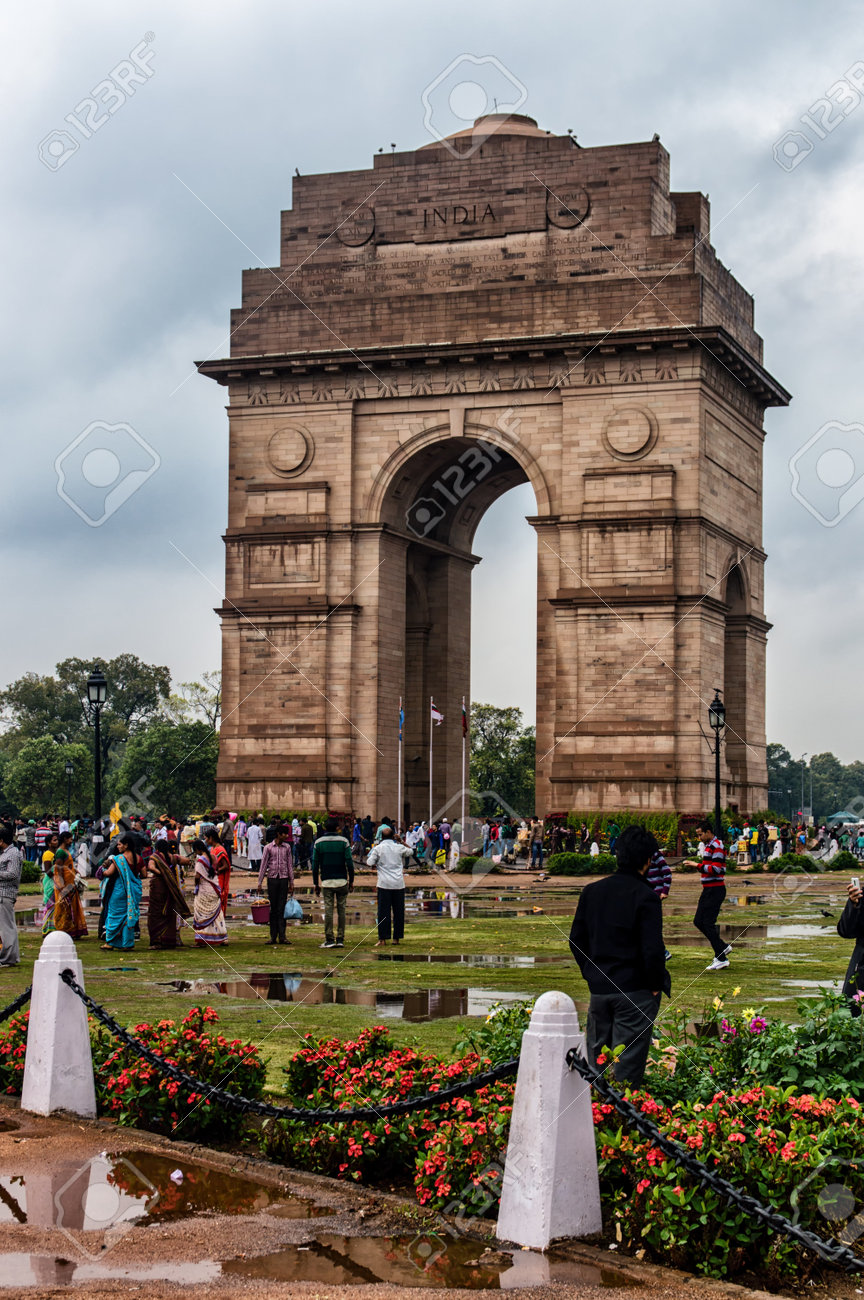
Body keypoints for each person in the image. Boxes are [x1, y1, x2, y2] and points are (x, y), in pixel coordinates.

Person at [569, 825, 670, 1085]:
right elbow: (652, 949)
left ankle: (597, 1120)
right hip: (635, 991)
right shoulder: (646, 896)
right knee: (626, 1074)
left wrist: (592, 974)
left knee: (596, 1070)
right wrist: (655, 986)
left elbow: (576, 941)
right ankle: (622, 1119)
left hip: (600, 991)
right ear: (648, 860)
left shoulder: (592, 891)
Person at [685, 823, 730, 970]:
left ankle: (721, 955)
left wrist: (695, 865)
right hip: (708, 889)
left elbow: (716, 869)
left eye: (700, 834)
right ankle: (721, 947)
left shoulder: (716, 845)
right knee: (699, 921)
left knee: (707, 923)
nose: (699, 838)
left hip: (715, 889)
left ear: (708, 832)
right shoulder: (710, 845)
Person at [312, 817, 354, 949]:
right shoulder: (344, 841)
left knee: (328, 910)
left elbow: (315, 865)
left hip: (327, 881)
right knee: (342, 910)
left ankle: (329, 939)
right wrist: (351, 881)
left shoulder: (319, 842)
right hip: (342, 880)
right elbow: (350, 863)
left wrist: (315, 884)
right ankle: (340, 938)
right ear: (337, 828)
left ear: (325, 828)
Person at [367, 826, 412, 946]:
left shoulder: (378, 848)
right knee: (398, 912)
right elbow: (411, 851)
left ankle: (382, 939)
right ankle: (396, 938)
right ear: (393, 836)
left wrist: (377, 861)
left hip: (384, 884)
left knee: (383, 913)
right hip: (398, 884)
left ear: (381, 837)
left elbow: (369, 862)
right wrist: (401, 841)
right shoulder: (399, 847)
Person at [101, 834, 143, 951]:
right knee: (128, 916)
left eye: (119, 844)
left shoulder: (119, 859)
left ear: (126, 845)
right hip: (134, 891)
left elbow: (109, 873)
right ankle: (127, 943)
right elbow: (144, 874)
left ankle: (110, 942)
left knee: (114, 915)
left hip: (119, 891)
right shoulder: (139, 858)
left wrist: (102, 870)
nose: (118, 846)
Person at [147, 841, 190, 948]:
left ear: (157, 848)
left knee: (156, 914)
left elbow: (151, 867)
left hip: (159, 888)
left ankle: (157, 942)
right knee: (169, 913)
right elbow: (187, 861)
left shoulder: (155, 857)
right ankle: (169, 940)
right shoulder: (172, 857)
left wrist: (162, 873)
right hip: (170, 888)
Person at [258, 825, 294, 946]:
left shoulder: (287, 847)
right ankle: (273, 936)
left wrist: (292, 882)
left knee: (281, 908)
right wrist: (259, 882)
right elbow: (263, 865)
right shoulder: (268, 848)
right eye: (284, 834)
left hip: (283, 879)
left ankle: (282, 936)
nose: (286, 836)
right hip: (272, 879)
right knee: (273, 909)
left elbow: (290, 865)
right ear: (278, 834)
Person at [192, 838, 228, 947]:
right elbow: (215, 870)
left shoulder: (200, 861)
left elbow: (198, 876)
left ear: (197, 849)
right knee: (216, 914)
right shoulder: (213, 857)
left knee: (202, 914)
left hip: (204, 889)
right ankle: (222, 937)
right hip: (214, 888)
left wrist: (195, 884)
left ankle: (202, 940)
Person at [52, 830, 88, 939]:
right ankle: (64, 931)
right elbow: (58, 870)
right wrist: (62, 886)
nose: (71, 841)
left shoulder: (66, 851)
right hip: (64, 885)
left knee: (72, 907)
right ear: (65, 839)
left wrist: (74, 870)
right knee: (64, 908)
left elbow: (66, 866)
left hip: (70, 883)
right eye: (70, 839)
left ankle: (73, 930)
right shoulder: (60, 852)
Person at [838, 878, 864, 1015]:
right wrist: (853, 904)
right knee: (852, 1021)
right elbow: (846, 931)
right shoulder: (861, 896)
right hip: (861, 969)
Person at [0, 822, 22, 969]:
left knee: (7, 927)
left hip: (5, 894)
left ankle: (9, 958)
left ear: (1, 841)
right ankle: (6, 955)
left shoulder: (13, 853)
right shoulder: (5, 853)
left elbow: (13, 874)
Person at [202, 824, 232, 920]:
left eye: (206, 838)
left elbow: (226, 866)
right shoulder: (212, 849)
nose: (206, 840)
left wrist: (216, 871)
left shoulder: (220, 849)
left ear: (211, 838)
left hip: (220, 880)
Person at [40, 831, 60, 935]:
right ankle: (46, 928)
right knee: (50, 904)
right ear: (49, 843)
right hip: (51, 882)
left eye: (57, 840)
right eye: (54, 840)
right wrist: (57, 879)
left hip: (56, 880)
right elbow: (48, 870)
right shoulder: (48, 854)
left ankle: (53, 927)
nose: (57, 842)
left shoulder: (56, 853)